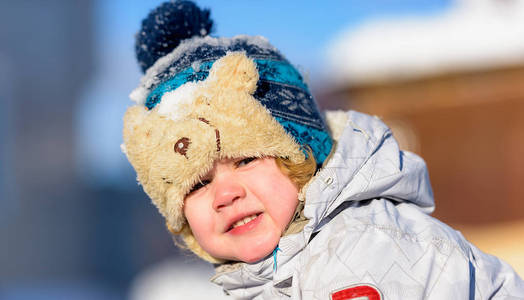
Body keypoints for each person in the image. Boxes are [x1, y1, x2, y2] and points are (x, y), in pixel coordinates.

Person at [122, 1, 524, 299]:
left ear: (301, 158)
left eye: (246, 160)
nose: (225, 195)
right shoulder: (276, 270)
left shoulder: (358, 254)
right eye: (197, 184)